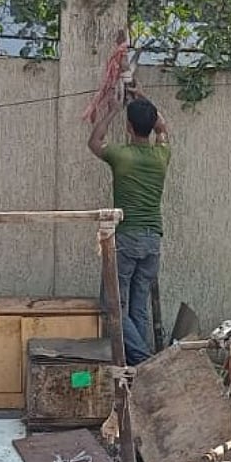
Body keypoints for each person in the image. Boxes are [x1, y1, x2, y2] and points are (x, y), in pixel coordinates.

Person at [88, 88, 170, 366]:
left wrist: (113, 109)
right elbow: (163, 128)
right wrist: (145, 99)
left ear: (128, 127)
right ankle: (139, 368)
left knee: (112, 304)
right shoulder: (162, 155)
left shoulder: (121, 156)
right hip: (152, 241)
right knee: (138, 306)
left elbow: (95, 141)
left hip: (127, 238)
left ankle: (144, 360)